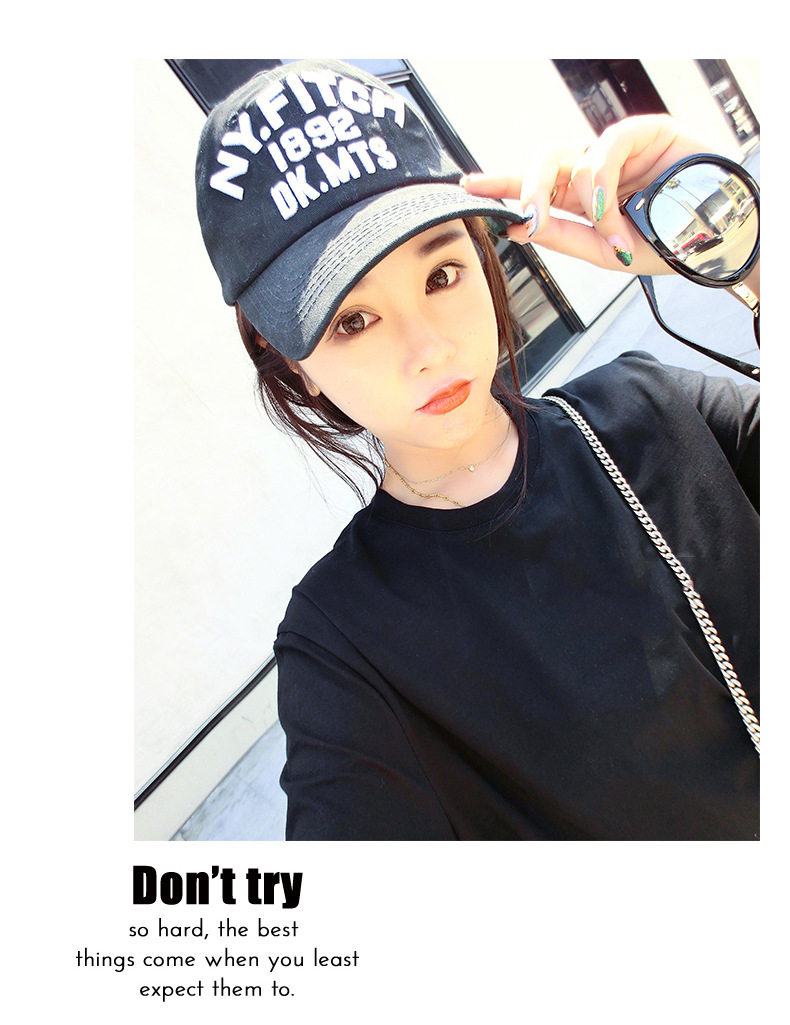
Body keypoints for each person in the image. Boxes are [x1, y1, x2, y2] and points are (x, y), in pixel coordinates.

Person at [195, 59, 759, 840]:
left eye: (441, 274)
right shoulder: (347, 647)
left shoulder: (653, 410)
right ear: (290, 360)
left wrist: (748, 249)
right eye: (353, 320)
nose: (428, 347)